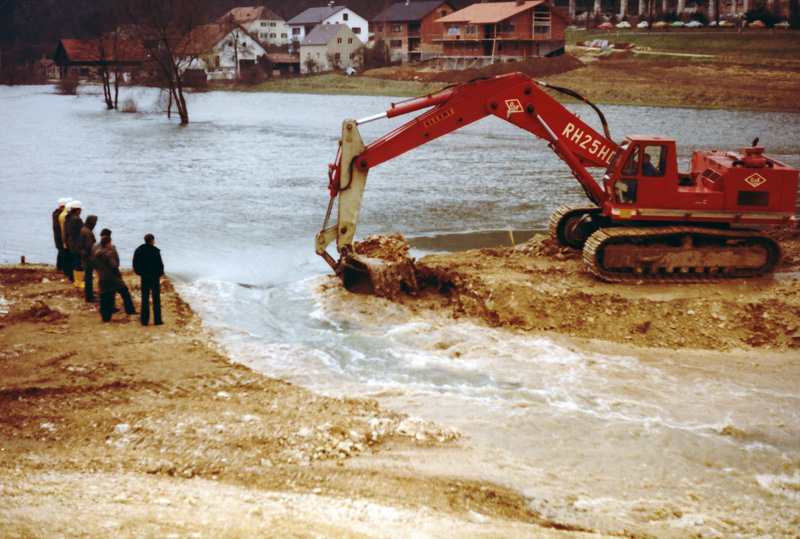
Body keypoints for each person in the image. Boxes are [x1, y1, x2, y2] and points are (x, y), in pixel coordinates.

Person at [92, 234, 137, 322]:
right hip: (112, 278)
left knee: (105, 296)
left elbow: (94, 264)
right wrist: (118, 274)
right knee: (125, 292)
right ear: (108, 243)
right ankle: (130, 310)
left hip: (102, 278)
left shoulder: (96, 253)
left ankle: (105, 317)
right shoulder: (109, 253)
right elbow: (113, 266)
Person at [133, 234, 164, 326]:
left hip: (144, 277)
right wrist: (159, 274)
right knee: (156, 300)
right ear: (152, 241)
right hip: (154, 277)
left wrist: (140, 273)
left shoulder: (139, 250)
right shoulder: (155, 251)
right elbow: (160, 265)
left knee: (145, 299)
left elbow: (135, 264)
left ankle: (144, 320)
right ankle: (157, 320)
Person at [64, 201, 85, 289]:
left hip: (71, 242)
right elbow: (82, 229)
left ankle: (76, 280)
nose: (81, 211)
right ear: (77, 210)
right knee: (78, 262)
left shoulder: (68, 218)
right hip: (77, 243)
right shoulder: (76, 219)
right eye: (80, 210)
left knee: (75, 261)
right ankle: (78, 281)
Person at [77, 215, 98, 302]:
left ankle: (89, 295)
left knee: (88, 275)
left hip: (84, 255)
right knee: (89, 277)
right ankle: (89, 297)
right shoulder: (88, 232)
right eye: (94, 222)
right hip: (88, 256)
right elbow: (90, 246)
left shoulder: (84, 229)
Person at [52, 198, 70, 274]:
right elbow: (58, 228)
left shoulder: (57, 214)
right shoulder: (59, 215)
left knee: (61, 252)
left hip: (59, 236)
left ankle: (61, 267)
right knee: (62, 252)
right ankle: (60, 267)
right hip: (60, 237)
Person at [58, 199, 74, 281]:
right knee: (68, 257)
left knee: (65, 255)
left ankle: (64, 269)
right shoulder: (64, 216)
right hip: (67, 240)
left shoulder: (61, 215)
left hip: (64, 238)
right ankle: (67, 272)